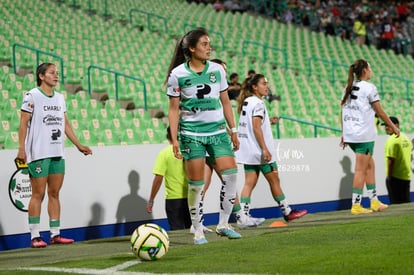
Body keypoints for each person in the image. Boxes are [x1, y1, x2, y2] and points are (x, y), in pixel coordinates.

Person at [166, 28, 241, 245]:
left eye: (209, 44)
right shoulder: (178, 74)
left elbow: (226, 102)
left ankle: (224, 224)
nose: (209, 48)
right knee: (196, 184)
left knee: (231, 176)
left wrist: (233, 130)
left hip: (218, 132)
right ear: (191, 48)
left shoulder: (217, 70)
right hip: (191, 135)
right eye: (204, 44)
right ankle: (197, 229)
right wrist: (175, 139)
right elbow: (173, 109)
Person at [16, 63, 93, 248]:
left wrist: (78, 145)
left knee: (54, 193)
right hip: (39, 153)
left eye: (57, 73)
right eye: (52, 73)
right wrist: (21, 149)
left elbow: (65, 124)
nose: (56, 76)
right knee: (38, 193)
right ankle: (35, 236)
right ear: (41, 76)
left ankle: (55, 234)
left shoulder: (60, 98)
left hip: (57, 152)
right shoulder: (32, 95)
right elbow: (23, 123)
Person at [199, 58, 265, 229]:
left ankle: (196, 223)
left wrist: (231, 132)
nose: (225, 74)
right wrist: (231, 133)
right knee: (228, 179)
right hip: (214, 141)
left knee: (203, 185)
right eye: (223, 70)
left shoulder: (208, 88)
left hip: (207, 140)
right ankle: (240, 218)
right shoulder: (214, 92)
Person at [235, 73, 308, 222]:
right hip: (260, 152)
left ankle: (243, 216)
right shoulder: (258, 104)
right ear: (255, 87)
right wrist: (265, 149)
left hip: (249, 152)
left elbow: (253, 124)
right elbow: (256, 127)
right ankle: (287, 212)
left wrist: (269, 122)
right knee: (275, 181)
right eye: (263, 83)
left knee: (249, 183)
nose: (267, 86)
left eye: (267, 83)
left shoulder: (247, 102)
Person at [340, 59, 400, 215]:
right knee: (360, 169)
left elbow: (344, 111)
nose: (371, 70)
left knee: (370, 166)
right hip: (363, 135)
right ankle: (356, 205)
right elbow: (380, 112)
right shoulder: (369, 88)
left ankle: (374, 201)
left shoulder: (348, 87)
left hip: (352, 135)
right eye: (370, 68)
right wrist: (393, 127)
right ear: (365, 70)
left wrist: (344, 133)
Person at [146, 126, 192, 230]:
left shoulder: (164, 153)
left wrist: (151, 200)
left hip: (173, 199)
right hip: (191, 197)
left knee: (177, 232)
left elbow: (158, 178)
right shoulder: (188, 151)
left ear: (167, 136)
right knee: (194, 230)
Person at [383, 116, 412, 204]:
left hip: (395, 177)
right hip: (406, 175)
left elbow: (391, 160)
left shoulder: (392, 140)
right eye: (386, 125)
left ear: (396, 125)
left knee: (395, 203)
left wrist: (389, 177)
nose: (386, 128)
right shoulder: (405, 138)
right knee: (405, 201)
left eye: (388, 125)